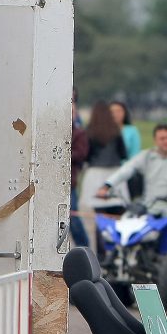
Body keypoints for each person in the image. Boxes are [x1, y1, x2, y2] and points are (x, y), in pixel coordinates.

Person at [96, 123, 167, 242]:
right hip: (146, 206)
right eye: (162, 138)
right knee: (125, 220)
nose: (166, 141)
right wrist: (107, 186)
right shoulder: (146, 156)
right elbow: (126, 170)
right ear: (155, 140)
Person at [80, 101, 130, 249]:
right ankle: (117, 249)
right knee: (117, 217)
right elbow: (123, 153)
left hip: (95, 174)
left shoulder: (89, 131)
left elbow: (86, 155)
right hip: (114, 174)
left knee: (100, 220)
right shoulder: (116, 131)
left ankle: (102, 254)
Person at [110, 100, 144, 198]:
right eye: (113, 111)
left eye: (119, 111)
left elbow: (134, 154)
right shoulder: (104, 132)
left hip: (125, 172)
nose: (116, 114)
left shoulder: (131, 131)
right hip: (108, 170)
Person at [69, 93, 89, 248]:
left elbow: (81, 153)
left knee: (73, 216)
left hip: (70, 181)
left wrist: (65, 154)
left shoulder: (79, 133)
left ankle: (84, 246)